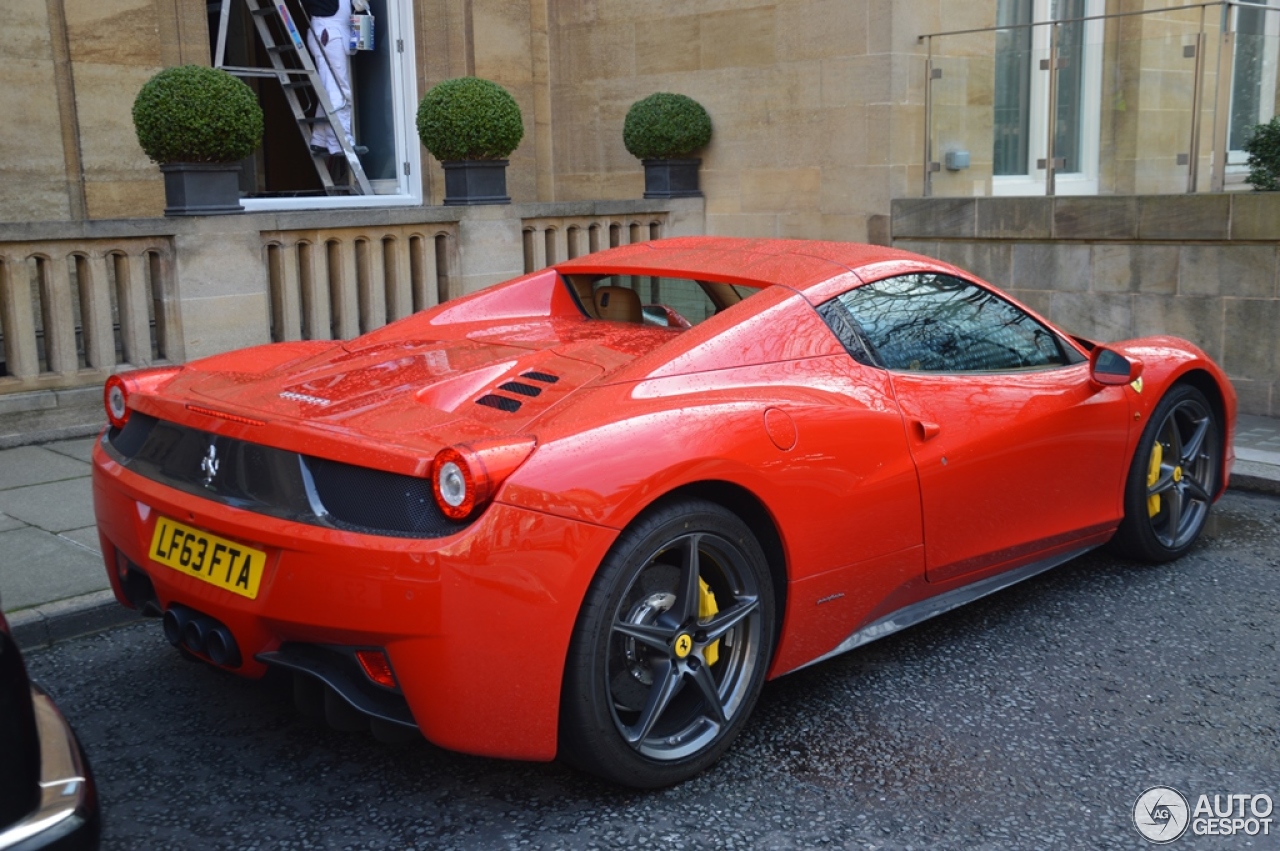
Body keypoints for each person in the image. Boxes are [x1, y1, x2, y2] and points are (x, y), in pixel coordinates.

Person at [300, 0, 366, 159]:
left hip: (332, 33)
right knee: (338, 89)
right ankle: (341, 142)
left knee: (330, 88)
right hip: (329, 33)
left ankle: (320, 139)